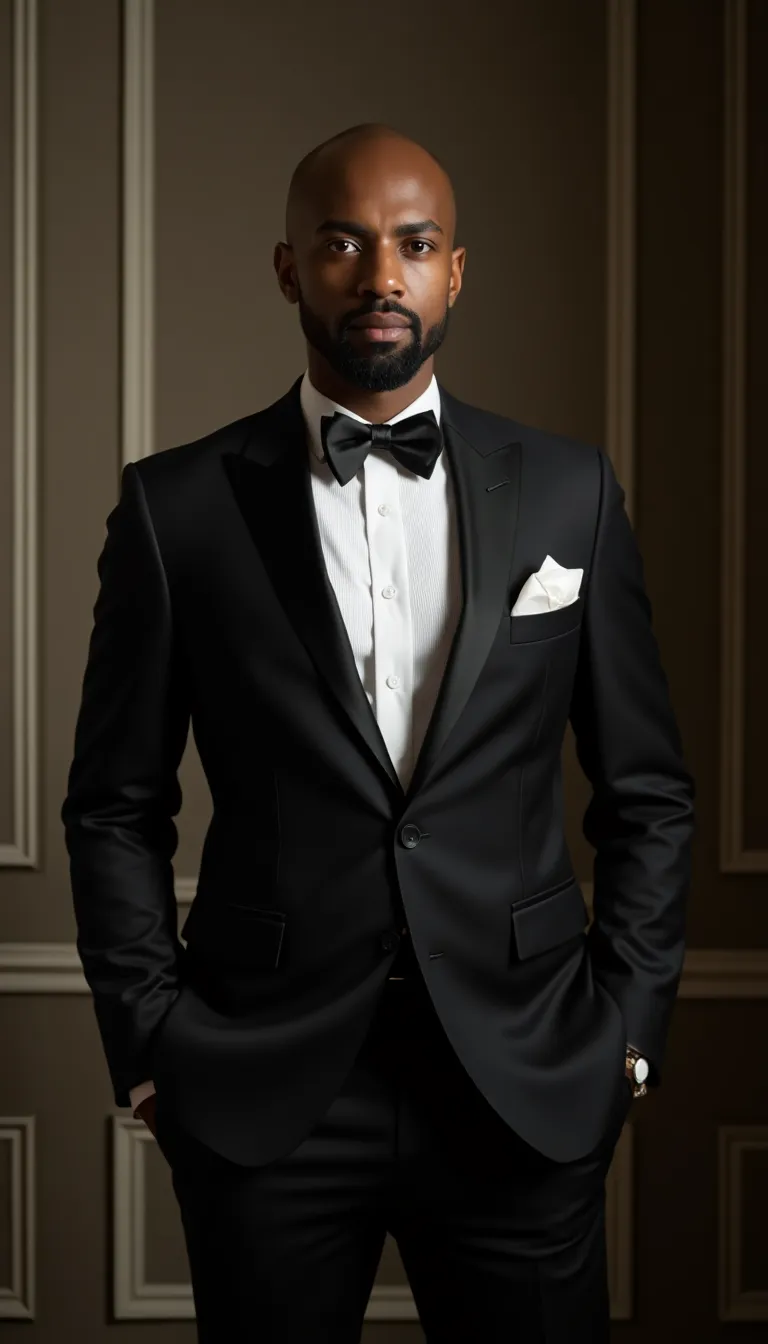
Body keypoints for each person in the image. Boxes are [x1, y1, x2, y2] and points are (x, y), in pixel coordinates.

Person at [61, 122, 695, 1342]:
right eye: (344, 244)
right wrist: (150, 1044)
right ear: (291, 268)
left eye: (414, 245)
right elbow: (115, 806)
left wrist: (626, 1035)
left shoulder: (571, 492)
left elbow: (648, 792)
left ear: (455, 271)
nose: (381, 275)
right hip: (264, 1086)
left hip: (528, 1078)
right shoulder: (176, 507)